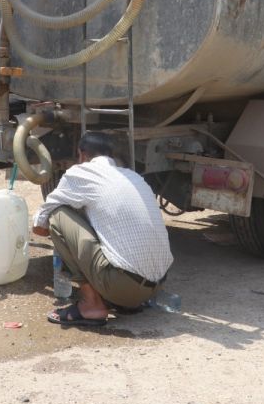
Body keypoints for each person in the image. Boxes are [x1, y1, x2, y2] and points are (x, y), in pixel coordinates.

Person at [32, 131, 173, 327]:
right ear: (111, 155)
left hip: (124, 288)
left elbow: (41, 223)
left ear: (81, 155)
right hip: (156, 286)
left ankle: (92, 305)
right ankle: (122, 300)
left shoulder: (80, 172)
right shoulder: (134, 176)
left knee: (58, 214)